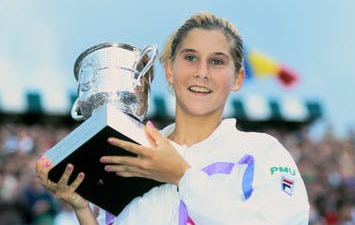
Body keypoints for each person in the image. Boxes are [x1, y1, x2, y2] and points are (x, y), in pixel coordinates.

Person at [36, 12, 310, 224]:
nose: (201, 72)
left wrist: (182, 175)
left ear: (238, 78)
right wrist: (84, 211)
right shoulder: (128, 158)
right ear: (169, 70)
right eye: (190, 58)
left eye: (217, 61)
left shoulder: (261, 153)